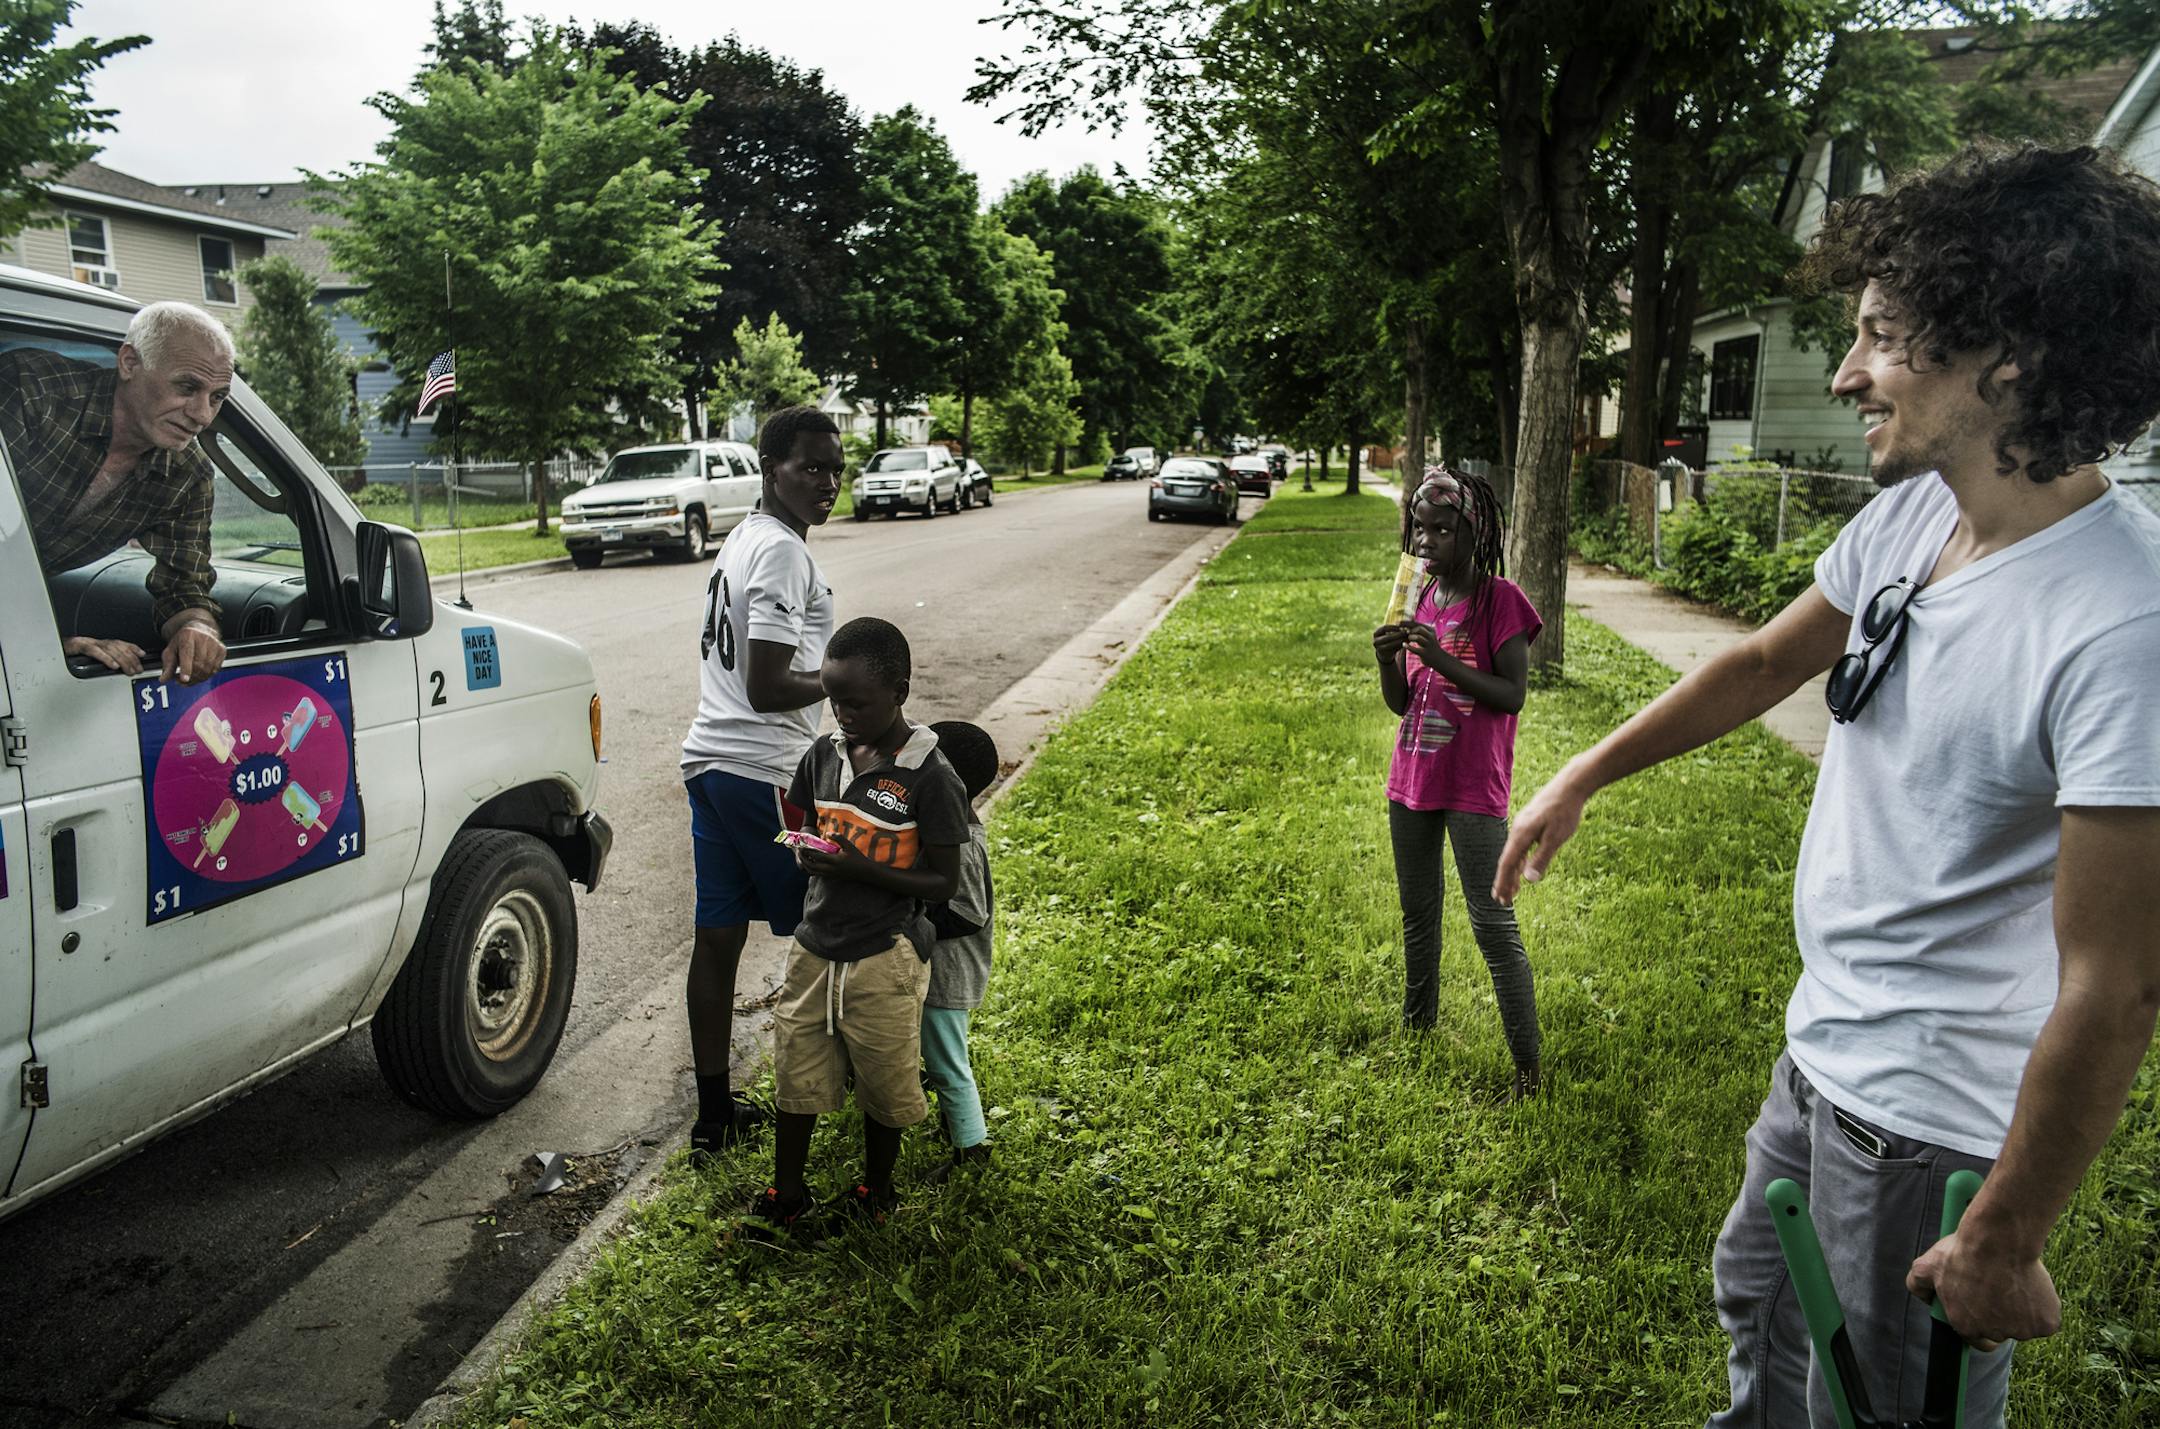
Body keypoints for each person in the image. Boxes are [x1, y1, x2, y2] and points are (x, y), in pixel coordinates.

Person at [1493, 144, 2160, 1427]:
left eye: (1882, 340)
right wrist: (1586, 769)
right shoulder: (1915, 519)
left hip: (1930, 1126)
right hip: (1822, 1053)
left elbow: (2117, 982)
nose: (1848, 372)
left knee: (1886, 1403)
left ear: (2005, 360)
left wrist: (2006, 1239)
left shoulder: (2120, 624)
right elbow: (1756, 663)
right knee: (1759, 1309)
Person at [748, 617, 969, 1233]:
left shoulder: (931, 775)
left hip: (884, 953)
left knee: (884, 1077)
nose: (840, 714)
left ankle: (877, 1189)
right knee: (796, 1068)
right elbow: (806, 823)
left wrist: (860, 867)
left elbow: (942, 883)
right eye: (832, 699)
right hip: (815, 944)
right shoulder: (823, 755)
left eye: (855, 702)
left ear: (899, 690)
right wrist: (803, 848)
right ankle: (786, 1193)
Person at [680, 405, 845, 1165]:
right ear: (770, 467)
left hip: (710, 769)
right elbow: (771, 682)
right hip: (765, 780)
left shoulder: (741, 540)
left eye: (836, 468)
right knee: (838, 918)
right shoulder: (780, 552)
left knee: (717, 939)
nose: (827, 481)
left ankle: (714, 1117)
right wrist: (847, 680)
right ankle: (823, 1099)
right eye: (810, 466)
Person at [1373, 465, 1543, 1100]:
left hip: (1473, 787)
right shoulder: (1417, 596)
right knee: (1418, 913)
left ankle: (1527, 1072)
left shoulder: (1502, 600)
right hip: (1412, 778)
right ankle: (1418, 1033)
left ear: (1473, 532)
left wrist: (1440, 656)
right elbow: (1401, 703)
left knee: (1493, 926)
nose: (1426, 544)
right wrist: (1388, 658)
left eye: (1442, 531)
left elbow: (1513, 694)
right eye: (1420, 530)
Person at [0, 300, 233, 682]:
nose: (203, 415)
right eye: (187, 387)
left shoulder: (187, 475)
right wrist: (51, 644)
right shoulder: (31, 391)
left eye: (217, 396)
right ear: (129, 363)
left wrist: (198, 629)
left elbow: (184, 589)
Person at [920, 719, 1000, 1182]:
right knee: (941, 1056)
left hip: (948, 975)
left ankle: (971, 1150)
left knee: (947, 1063)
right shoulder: (948, 825)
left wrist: (916, 921)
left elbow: (970, 913)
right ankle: (954, 1123)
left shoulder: (964, 842)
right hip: (939, 971)